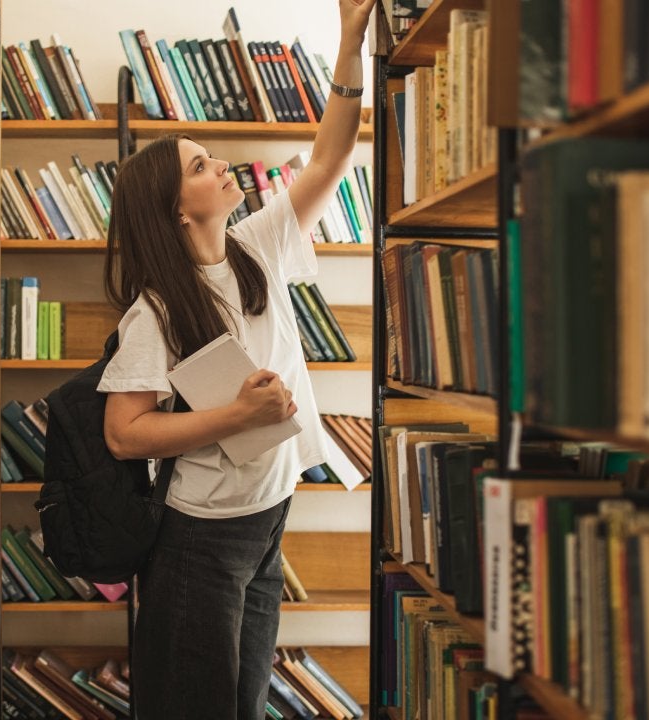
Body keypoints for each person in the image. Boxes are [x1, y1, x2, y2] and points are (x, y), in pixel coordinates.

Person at [95, 1, 374, 717]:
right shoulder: (155, 309)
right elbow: (125, 433)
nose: (220, 164)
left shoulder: (258, 245)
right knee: (201, 707)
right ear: (176, 209)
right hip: (201, 541)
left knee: (242, 701)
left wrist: (350, 40)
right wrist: (235, 415)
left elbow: (333, 155)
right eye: (200, 164)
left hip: (268, 515)